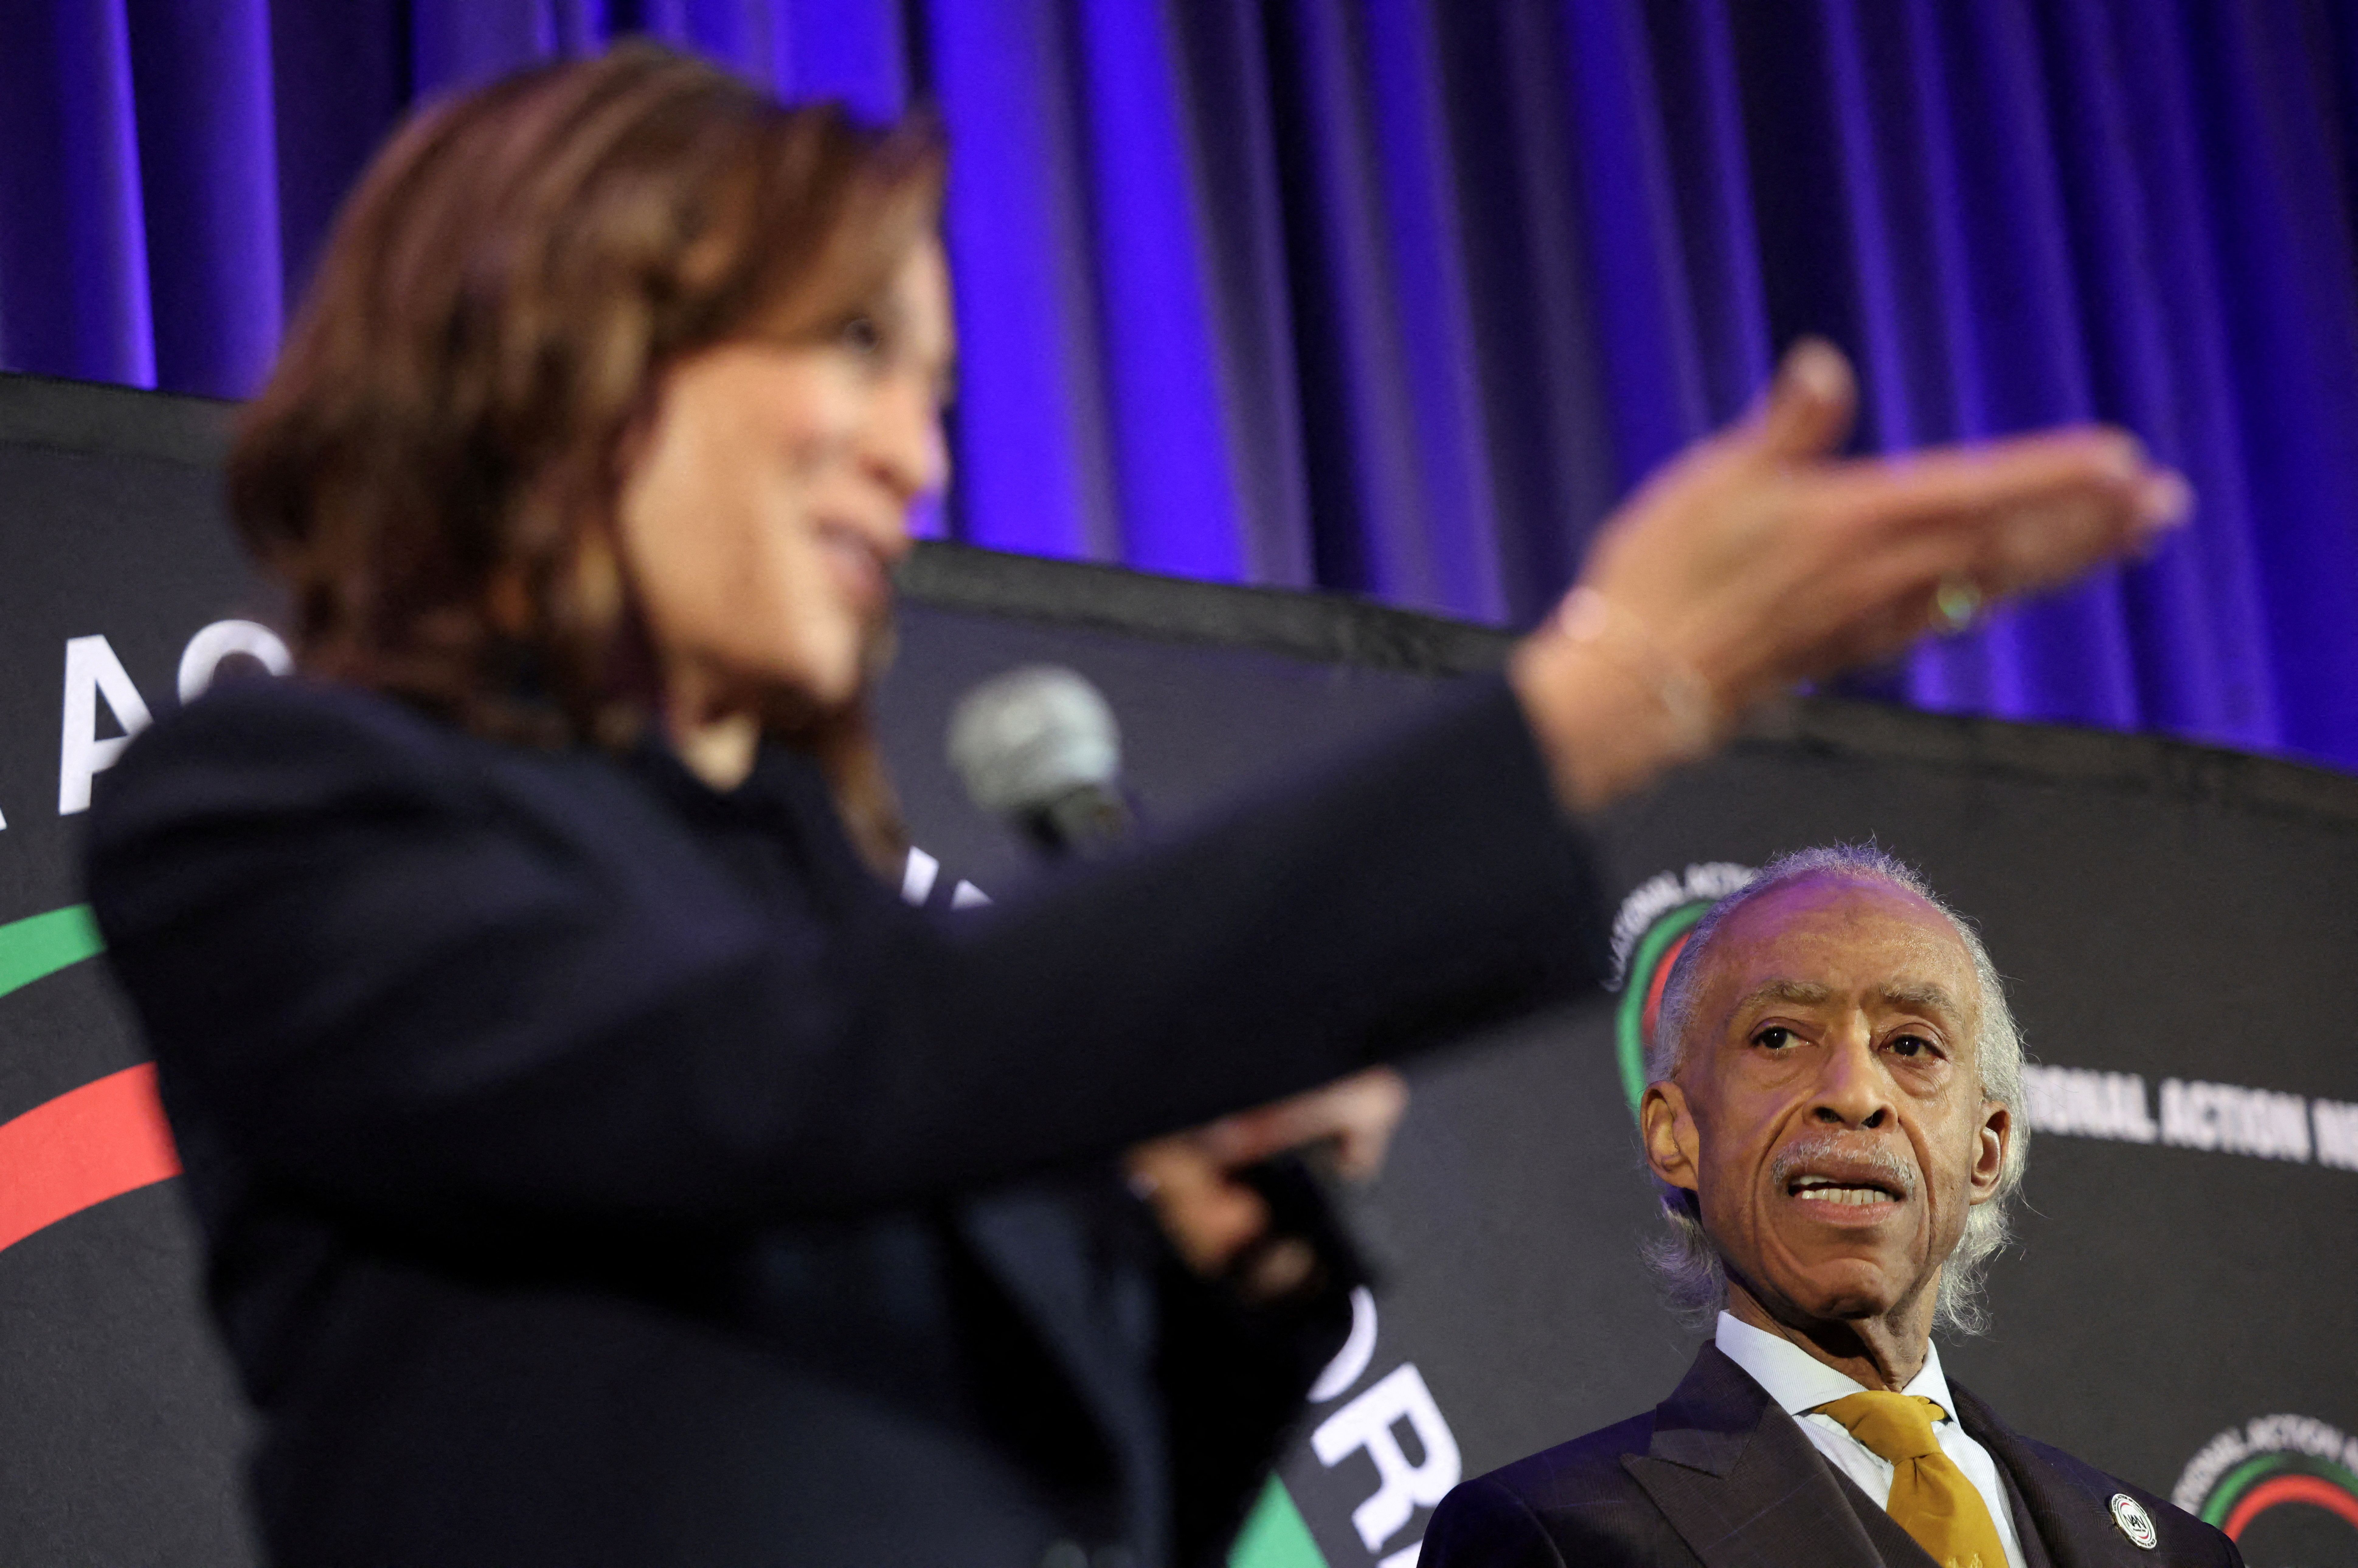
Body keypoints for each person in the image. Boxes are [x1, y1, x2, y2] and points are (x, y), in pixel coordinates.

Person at [81, 44, 2186, 1568]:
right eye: (845, 348)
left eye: (930, 388)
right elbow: (780, 1083)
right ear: (566, 342)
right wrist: (1586, 706)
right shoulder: (276, 808)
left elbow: (1089, 1509)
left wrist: (1222, 1267)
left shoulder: (859, 952)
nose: (913, 453)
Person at [1419, 847, 2242, 1568]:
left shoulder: (2172, 1556)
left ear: (1986, 1147)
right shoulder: (1552, 1537)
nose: (1852, 1094)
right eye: (1778, 1037)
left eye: (1911, 1045)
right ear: (1674, 1135)